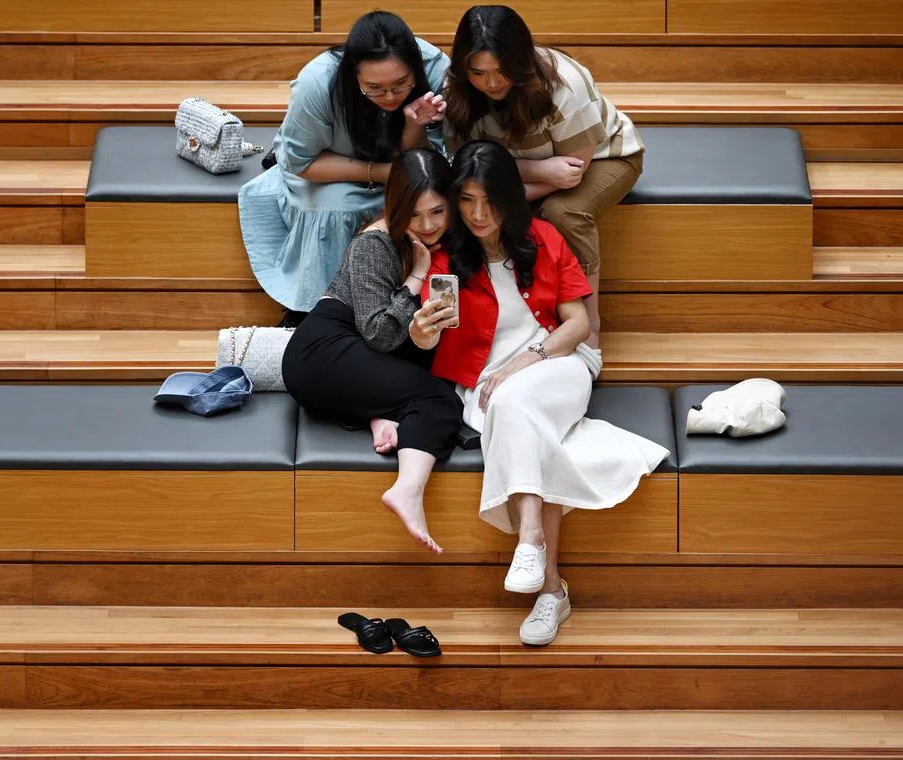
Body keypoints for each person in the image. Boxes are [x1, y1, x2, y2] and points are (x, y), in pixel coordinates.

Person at [410, 141, 667, 643]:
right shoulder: (446, 260)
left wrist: (524, 363)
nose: (478, 214)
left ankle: (529, 540)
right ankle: (550, 590)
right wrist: (422, 330)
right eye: (465, 200)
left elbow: (576, 325)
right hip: (485, 385)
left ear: (508, 196)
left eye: (488, 200)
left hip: (560, 363)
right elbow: (429, 339)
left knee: (514, 400)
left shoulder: (544, 237)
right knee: (528, 425)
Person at [282, 149, 463, 554]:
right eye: (415, 215)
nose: (428, 225)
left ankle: (378, 415)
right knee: (439, 401)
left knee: (427, 382)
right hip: (322, 352)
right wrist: (416, 277)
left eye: (437, 211)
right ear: (396, 207)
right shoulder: (375, 244)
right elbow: (380, 334)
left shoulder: (446, 238)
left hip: (355, 357)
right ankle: (406, 491)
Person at [445, 4, 645, 348]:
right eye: (478, 72)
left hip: (602, 158)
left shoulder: (563, 83)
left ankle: (588, 322)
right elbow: (467, 162)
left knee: (560, 213)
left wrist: (505, 197)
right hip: (529, 172)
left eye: (502, 70)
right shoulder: (458, 88)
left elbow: (571, 172)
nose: (491, 82)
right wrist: (537, 172)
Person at [239, 11, 450, 323]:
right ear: (354, 74)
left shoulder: (436, 69)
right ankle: (323, 311)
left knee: (425, 205)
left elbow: (428, 162)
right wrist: (381, 173)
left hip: (406, 171)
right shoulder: (318, 81)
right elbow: (302, 162)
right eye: (374, 88)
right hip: (328, 168)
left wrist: (413, 127)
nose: (389, 97)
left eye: (401, 84)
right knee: (338, 209)